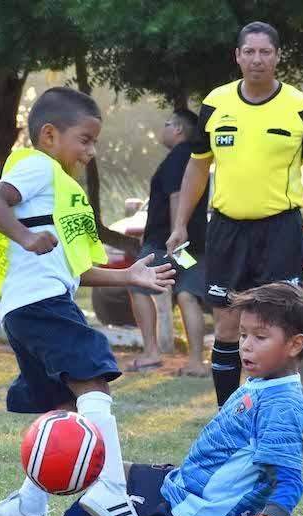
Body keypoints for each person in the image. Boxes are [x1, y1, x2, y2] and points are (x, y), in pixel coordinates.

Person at [0, 283, 303, 516]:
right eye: (243, 335)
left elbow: (289, 482)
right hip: (180, 490)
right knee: (109, 472)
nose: (246, 346)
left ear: (295, 345)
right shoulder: (262, 383)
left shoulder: (282, 405)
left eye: (260, 338)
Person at [0, 87, 176, 516]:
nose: (91, 151)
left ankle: (28, 508)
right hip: (39, 303)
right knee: (94, 377)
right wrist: (27, 239)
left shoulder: (64, 190)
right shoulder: (36, 167)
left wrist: (130, 277)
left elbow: (78, 270)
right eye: (85, 139)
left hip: (31, 307)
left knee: (67, 408)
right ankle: (108, 487)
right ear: (49, 135)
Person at [168, 21, 303, 408]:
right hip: (226, 229)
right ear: (237, 56)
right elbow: (197, 167)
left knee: (278, 326)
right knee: (227, 325)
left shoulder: (302, 109)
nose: (257, 59)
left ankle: (274, 414)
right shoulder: (216, 103)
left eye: (265, 52)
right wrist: (179, 225)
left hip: (281, 230)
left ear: (277, 57)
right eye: (249, 52)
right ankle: (228, 418)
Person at [127, 109, 210, 377]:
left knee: (136, 284)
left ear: (177, 129)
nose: (162, 129)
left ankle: (151, 352)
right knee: (188, 295)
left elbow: (176, 195)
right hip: (196, 240)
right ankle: (196, 362)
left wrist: (177, 232)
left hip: (169, 240)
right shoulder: (197, 158)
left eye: (166, 124)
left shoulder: (178, 156)